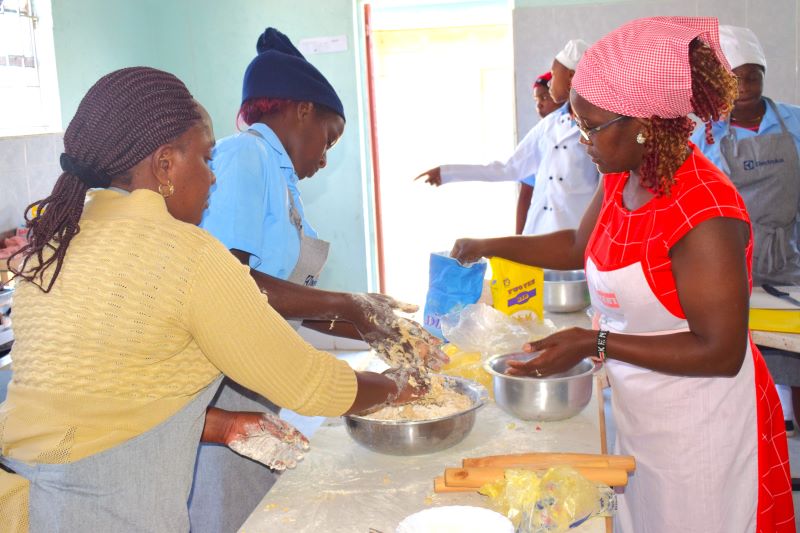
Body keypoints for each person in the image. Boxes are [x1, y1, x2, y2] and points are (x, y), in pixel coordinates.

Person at [0, 66, 421, 531]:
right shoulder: (186, 254)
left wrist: (222, 424)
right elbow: (308, 383)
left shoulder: (56, 245)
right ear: (165, 166)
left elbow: (102, 400)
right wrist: (404, 387)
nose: (213, 178)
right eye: (205, 159)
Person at [449, 17, 794, 531]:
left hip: (702, 429)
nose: (581, 138)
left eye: (591, 125)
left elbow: (721, 353)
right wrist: (488, 244)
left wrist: (595, 343)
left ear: (643, 124)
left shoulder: (705, 212)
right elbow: (576, 245)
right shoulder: (625, 174)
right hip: (642, 413)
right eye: (576, 122)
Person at [195, 27, 443, 532]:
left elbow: (289, 301)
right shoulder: (245, 157)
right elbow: (229, 285)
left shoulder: (280, 177)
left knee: (258, 510)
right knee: (229, 513)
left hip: (256, 376)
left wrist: (381, 331)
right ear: (301, 111)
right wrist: (349, 303)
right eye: (328, 140)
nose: (326, 158)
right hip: (219, 384)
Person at [692, 25, 800, 439]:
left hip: (791, 263)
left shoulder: (794, 122)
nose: (745, 87)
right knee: (737, 366)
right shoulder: (704, 137)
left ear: (764, 75)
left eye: (752, 76)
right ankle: (750, 445)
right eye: (733, 80)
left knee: (795, 360)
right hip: (729, 268)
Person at [415, 39, 600, 238]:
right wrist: (447, 173)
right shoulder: (548, 125)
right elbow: (508, 168)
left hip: (577, 237)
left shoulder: (599, 127)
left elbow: (605, 192)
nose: (549, 82)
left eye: (554, 74)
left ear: (571, 77)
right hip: (538, 233)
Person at [517, 71, 561, 234]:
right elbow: (525, 196)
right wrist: (519, 238)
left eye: (544, 97)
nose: (539, 105)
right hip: (540, 230)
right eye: (536, 100)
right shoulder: (537, 140)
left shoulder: (580, 137)